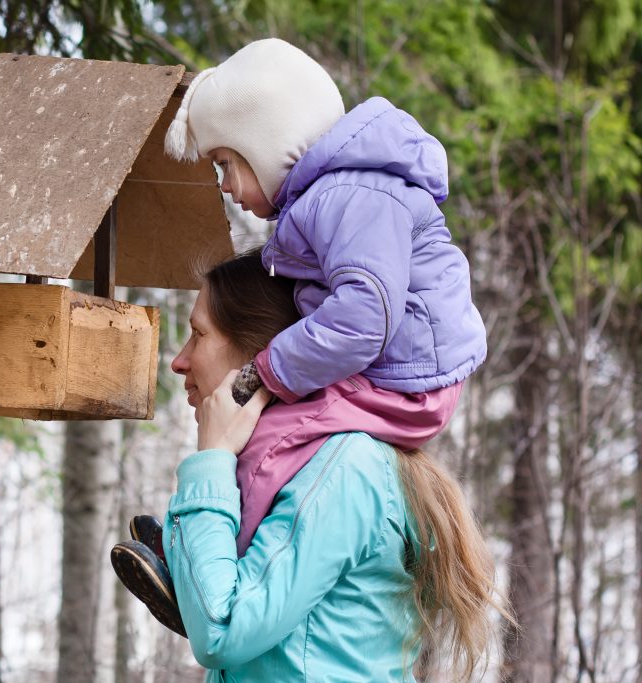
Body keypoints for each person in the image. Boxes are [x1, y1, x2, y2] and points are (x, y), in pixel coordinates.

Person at [111, 253, 509, 681]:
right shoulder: (301, 465)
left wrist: (213, 458)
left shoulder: (344, 469)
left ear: (260, 352)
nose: (179, 361)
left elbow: (222, 631)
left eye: (198, 334)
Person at [162, 37, 486, 553]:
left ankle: (214, 561)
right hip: (390, 367)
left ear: (266, 143)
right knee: (269, 427)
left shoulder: (348, 197)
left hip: (407, 377)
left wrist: (265, 370)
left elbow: (365, 316)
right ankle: (197, 544)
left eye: (225, 163)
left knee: (272, 440)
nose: (223, 186)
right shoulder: (329, 199)